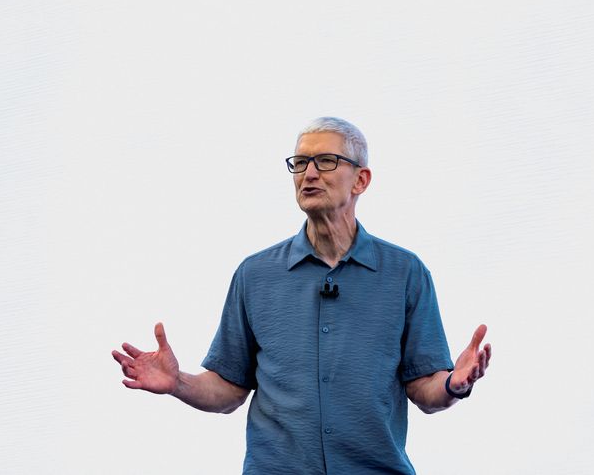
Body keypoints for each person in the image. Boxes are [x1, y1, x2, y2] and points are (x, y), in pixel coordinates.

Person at [112, 117, 492, 474]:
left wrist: (453, 384)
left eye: (326, 161)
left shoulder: (405, 273)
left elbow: (424, 388)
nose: (309, 173)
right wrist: (178, 382)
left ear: (360, 180)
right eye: (300, 163)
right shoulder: (255, 275)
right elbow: (228, 388)